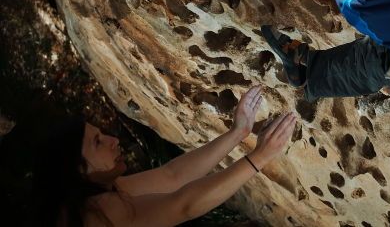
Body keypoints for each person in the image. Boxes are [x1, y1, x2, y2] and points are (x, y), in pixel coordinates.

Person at [33, 86, 296, 226]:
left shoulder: (101, 190)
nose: (113, 140)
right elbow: (183, 207)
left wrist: (238, 133)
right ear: (78, 168)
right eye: (97, 142)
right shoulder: (96, 214)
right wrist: (259, 157)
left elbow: (172, 177)